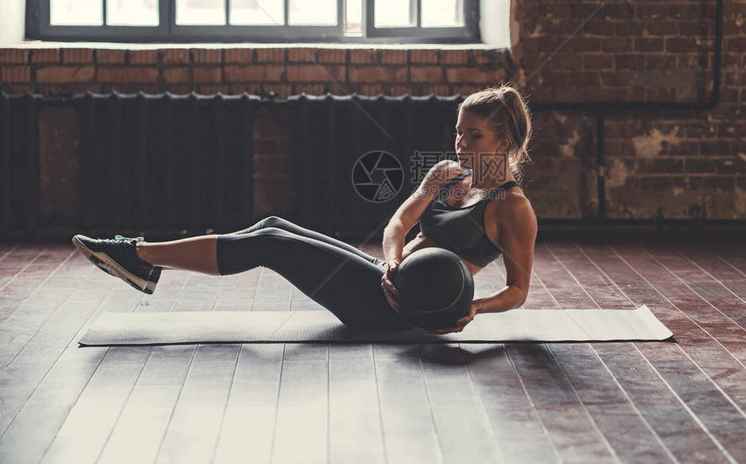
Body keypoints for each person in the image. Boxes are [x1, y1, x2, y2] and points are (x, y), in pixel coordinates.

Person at [72, 84, 538, 334]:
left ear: (504, 141)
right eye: (458, 131)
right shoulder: (447, 174)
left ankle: (140, 255)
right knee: (273, 224)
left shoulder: (512, 208)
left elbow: (519, 290)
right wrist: (394, 261)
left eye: (473, 135)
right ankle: (141, 262)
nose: (459, 142)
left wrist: (471, 308)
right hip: (388, 275)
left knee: (271, 243)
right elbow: (399, 222)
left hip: (402, 310)